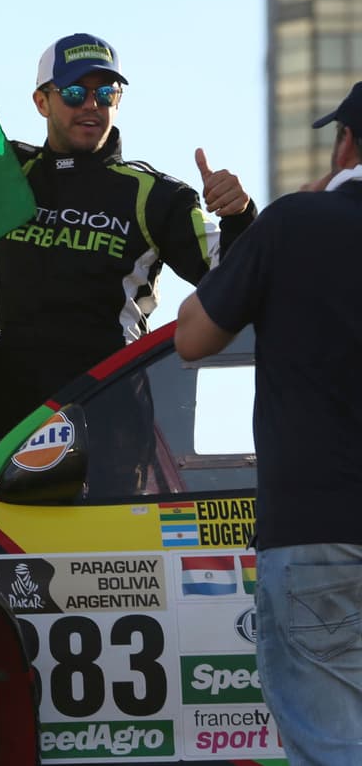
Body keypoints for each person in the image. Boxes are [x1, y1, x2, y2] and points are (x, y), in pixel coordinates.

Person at [175, 82, 362, 765]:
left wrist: (285, 220)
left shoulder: (295, 226)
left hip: (319, 534)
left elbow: (192, 337)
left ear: (344, 143)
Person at [0, 31, 256, 459]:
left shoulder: (156, 196)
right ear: (41, 102)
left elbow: (239, 277)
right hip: (8, 421)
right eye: (73, 92)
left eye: (106, 93)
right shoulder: (5, 176)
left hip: (109, 421)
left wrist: (240, 216)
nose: (91, 105)